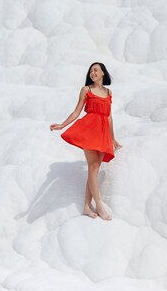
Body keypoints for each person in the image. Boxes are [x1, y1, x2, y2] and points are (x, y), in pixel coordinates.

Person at [50, 62, 122, 220]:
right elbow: (76, 112)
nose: (93, 73)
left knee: (94, 170)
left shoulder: (109, 92)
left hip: (103, 133)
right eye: (91, 71)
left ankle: (86, 207)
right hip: (89, 130)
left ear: (103, 73)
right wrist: (62, 125)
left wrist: (113, 138)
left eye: (96, 70)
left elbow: (109, 117)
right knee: (93, 166)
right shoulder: (86, 90)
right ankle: (99, 206)